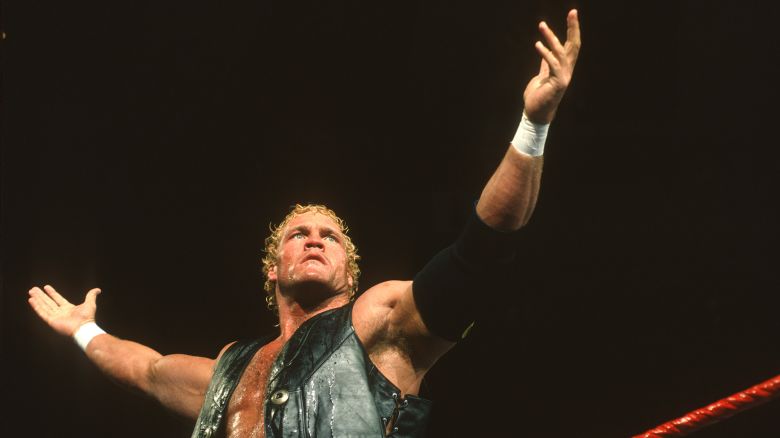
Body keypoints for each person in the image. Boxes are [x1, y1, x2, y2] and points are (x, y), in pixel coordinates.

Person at [27, 10, 581, 438]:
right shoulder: (231, 367)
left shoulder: (379, 322)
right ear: (274, 268)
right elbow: (145, 370)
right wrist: (82, 329)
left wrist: (533, 124)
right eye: (299, 233)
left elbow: (478, 255)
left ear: (350, 271)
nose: (315, 238)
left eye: (330, 236)